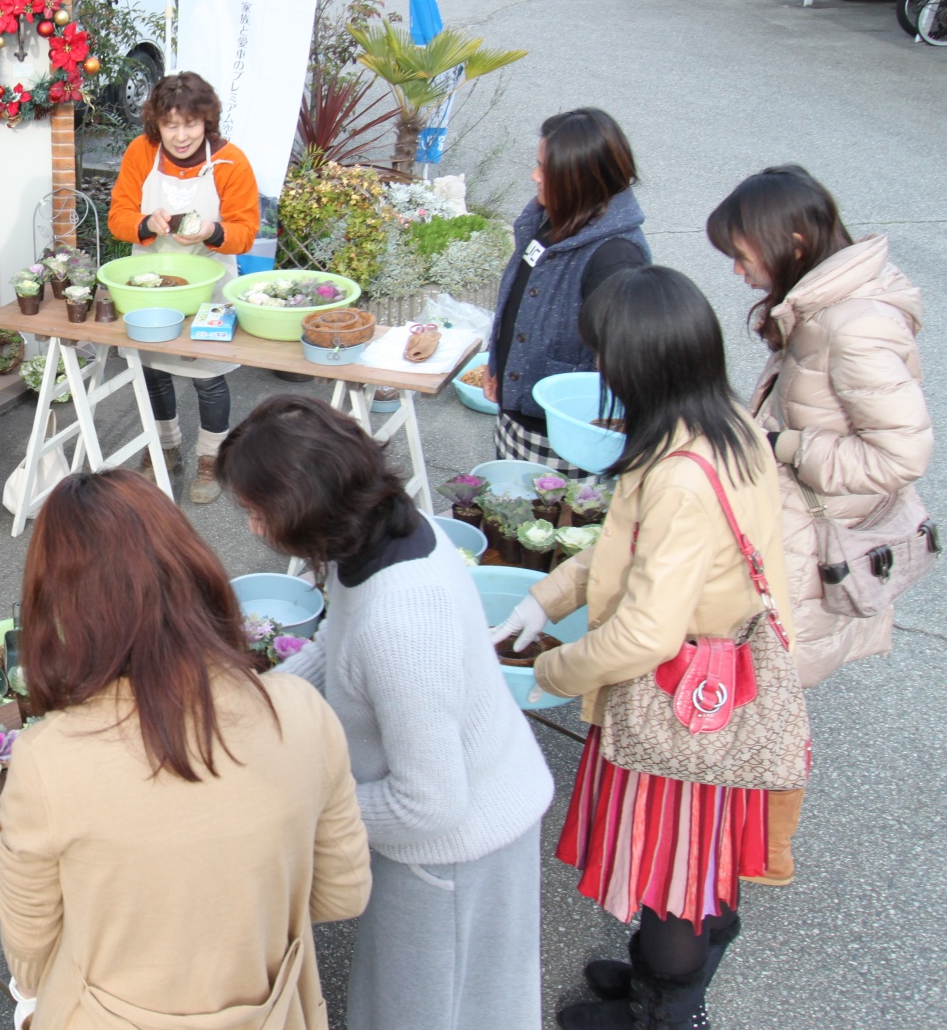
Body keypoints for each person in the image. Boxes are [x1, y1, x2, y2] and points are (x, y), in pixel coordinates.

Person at [490, 266, 797, 1030]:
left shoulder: (681, 477)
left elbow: (646, 632)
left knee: (675, 872)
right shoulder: (713, 419)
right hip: (711, 686)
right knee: (689, 861)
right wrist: (546, 597)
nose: (600, 374)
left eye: (605, 359)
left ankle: (667, 1014)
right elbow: (624, 544)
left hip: (679, 704)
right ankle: (652, 983)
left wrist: (550, 670)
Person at [218, 394, 554, 1030]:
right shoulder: (386, 531)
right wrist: (252, 705)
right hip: (481, 798)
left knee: (421, 1011)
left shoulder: (400, 622)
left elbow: (430, 805)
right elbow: (332, 649)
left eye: (256, 511)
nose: (254, 529)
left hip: (453, 850)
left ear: (304, 505)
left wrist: (301, 807)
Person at [0, 469, 372, 1030]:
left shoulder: (48, 758)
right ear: (192, 569)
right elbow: (343, 893)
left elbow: (29, 952)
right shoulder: (300, 710)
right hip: (271, 1008)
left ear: (62, 607)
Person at [707, 166, 931, 886]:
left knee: (772, 701)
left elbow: (902, 452)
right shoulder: (820, 307)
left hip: (811, 546)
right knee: (768, 697)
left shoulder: (851, 324)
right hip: (792, 534)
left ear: (794, 240)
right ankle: (745, 851)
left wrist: (784, 447)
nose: (741, 274)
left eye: (745, 256)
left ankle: (759, 855)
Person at [106, 72, 259, 504]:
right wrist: (143, 224)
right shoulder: (141, 152)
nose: (180, 135)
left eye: (190, 124)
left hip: (210, 283)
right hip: (151, 284)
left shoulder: (231, 161)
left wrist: (212, 231)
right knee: (153, 369)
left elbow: (246, 231)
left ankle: (211, 459)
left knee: (208, 377)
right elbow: (118, 215)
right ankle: (164, 448)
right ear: (156, 123)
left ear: (206, 122)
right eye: (170, 125)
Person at [488, 108, 650, 474]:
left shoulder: (616, 258)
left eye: (546, 170)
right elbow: (520, 301)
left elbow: (623, 363)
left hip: (561, 437)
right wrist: (498, 365)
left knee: (539, 524)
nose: (535, 176)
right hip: (518, 414)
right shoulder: (555, 218)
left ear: (581, 180)